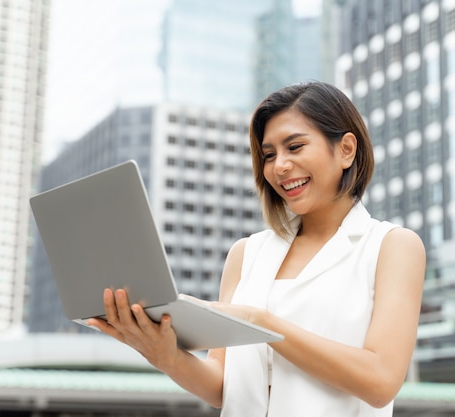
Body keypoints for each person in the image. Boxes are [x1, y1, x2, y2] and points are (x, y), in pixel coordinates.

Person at [87, 81, 426, 417]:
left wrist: (257, 321)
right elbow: (222, 385)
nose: (279, 166)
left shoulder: (392, 246)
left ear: (346, 150)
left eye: (294, 147)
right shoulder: (246, 253)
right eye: (269, 154)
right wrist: (166, 356)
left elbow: (380, 381)